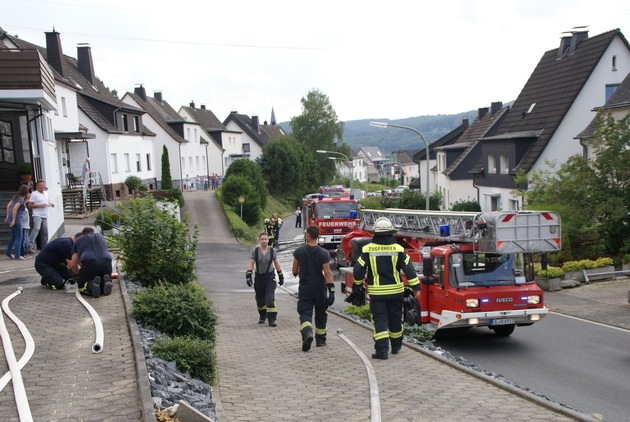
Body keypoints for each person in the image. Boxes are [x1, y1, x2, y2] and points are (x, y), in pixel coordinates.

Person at [353, 217, 421, 360]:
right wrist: (416, 287)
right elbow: (409, 269)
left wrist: (358, 284)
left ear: (375, 233)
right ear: (391, 233)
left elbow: (358, 269)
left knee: (380, 320)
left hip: (377, 293)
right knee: (395, 318)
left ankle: (382, 351)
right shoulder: (398, 249)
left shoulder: (367, 249)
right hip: (396, 291)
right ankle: (396, 347)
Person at [292, 224, 334, 351]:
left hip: (305, 287)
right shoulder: (324, 253)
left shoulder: (299, 251)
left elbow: (294, 270)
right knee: (321, 314)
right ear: (318, 236)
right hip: (320, 288)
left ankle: (308, 332)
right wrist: (331, 291)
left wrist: (298, 272)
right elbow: (327, 273)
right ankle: (321, 341)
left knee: (305, 313)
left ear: (308, 235)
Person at [245, 232, 284, 327]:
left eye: (265, 239)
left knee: (270, 299)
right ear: (259, 240)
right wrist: (248, 275)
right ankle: (263, 315)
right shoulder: (256, 251)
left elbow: (276, 263)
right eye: (262, 239)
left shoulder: (272, 251)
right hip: (259, 278)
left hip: (269, 277)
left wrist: (280, 275)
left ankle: (272, 319)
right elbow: (251, 263)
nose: (264, 241)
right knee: (260, 300)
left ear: (268, 240)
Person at [69, 227, 113, 298]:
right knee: (100, 276)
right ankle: (104, 282)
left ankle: (91, 285)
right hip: (107, 262)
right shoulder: (101, 236)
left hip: (90, 262)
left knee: (81, 286)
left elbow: (73, 264)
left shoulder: (79, 240)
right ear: (93, 232)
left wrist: (79, 276)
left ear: (82, 234)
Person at [27, 179, 55, 253]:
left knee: (45, 231)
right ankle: (29, 245)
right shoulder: (34, 194)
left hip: (45, 214)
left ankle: (44, 247)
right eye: (41, 186)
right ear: (37, 186)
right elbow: (29, 204)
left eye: (43, 185)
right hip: (37, 214)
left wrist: (51, 204)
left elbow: (47, 201)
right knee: (36, 228)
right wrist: (39, 205)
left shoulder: (46, 193)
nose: (42, 187)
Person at [5, 185, 29, 260]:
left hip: (11, 218)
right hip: (17, 220)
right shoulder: (21, 199)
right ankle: (17, 255)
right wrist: (14, 220)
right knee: (19, 237)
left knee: (13, 236)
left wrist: (8, 216)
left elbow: (8, 205)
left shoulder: (15, 196)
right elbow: (15, 209)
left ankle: (8, 252)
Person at [20, 191, 31, 259]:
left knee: (25, 239)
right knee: (24, 239)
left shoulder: (24, 205)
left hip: (26, 224)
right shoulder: (22, 205)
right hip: (23, 224)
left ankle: (25, 253)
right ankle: (23, 253)